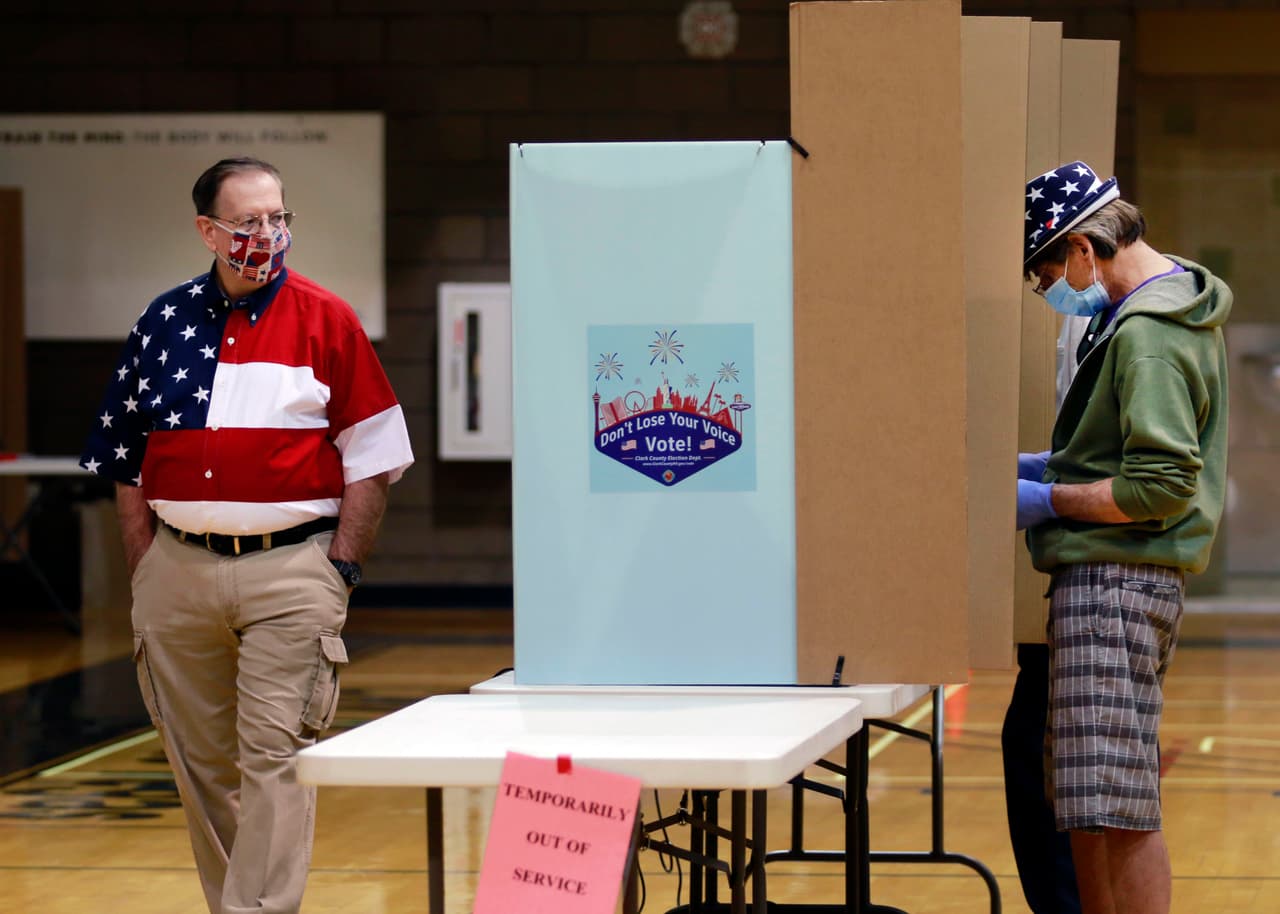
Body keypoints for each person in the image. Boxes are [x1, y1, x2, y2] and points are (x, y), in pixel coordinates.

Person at [79, 156, 413, 914]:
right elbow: (125, 463)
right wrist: (146, 571)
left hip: (292, 570)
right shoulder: (161, 324)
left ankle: (257, 911)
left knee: (274, 756)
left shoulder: (328, 319)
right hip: (176, 572)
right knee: (201, 765)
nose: (269, 234)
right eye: (250, 222)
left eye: (280, 218)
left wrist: (340, 571)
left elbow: (377, 457)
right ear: (208, 231)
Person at [1014, 161, 1230, 914]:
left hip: (1117, 577)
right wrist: (1039, 467)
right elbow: (1119, 452)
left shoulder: (1149, 335)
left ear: (1081, 246)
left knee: (1116, 803)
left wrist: (1046, 499)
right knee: (1088, 799)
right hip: (1111, 578)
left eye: (1047, 274)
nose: (1053, 292)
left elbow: (1160, 485)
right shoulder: (1139, 314)